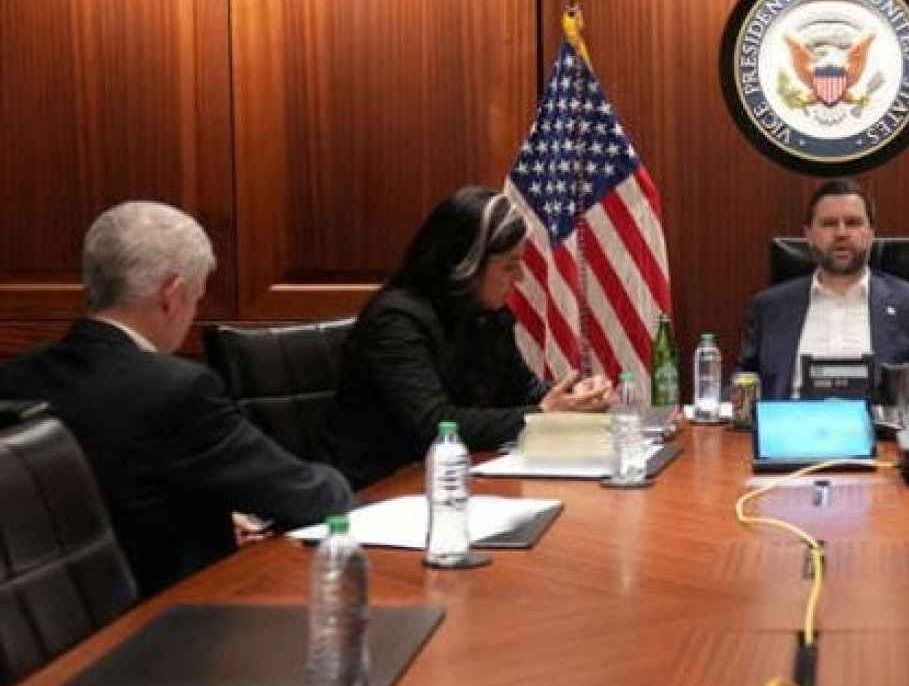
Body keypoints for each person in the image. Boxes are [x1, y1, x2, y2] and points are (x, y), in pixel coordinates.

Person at [0, 202, 353, 597]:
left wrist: (208, 514)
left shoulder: (13, 378)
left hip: (54, 615)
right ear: (172, 295)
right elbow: (311, 498)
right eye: (196, 298)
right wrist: (339, 482)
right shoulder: (178, 390)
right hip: (174, 610)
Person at [324, 186, 612, 489]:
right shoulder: (395, 321)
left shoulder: (485, 315)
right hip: (381, 487)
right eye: (509, 266)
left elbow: (522, 390)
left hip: (455, 478)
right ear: (465, 265)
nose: (520, 278)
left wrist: (576, 398)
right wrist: (541, 414)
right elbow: (434, 424)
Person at [737, 178, 909, 406]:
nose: (841, 233)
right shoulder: (769, 307)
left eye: (853, 223)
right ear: (808, 234)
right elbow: (741, 384)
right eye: (829, 223)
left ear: (871, 232)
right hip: (791, 428)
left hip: (883, 429)